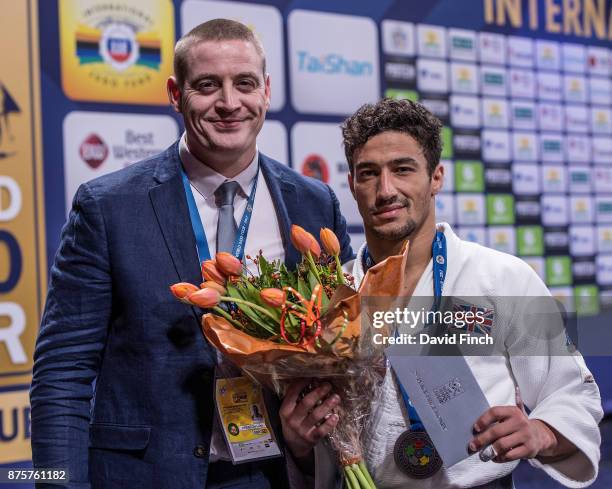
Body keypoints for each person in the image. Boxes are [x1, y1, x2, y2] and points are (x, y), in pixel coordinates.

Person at [30, 19, 352, 489]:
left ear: (265, 91)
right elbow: (63, 372)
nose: (228, 103)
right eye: (207, 85)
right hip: (145, 476)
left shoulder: (314, 202)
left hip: (270, 474)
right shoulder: (108, 206)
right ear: (175, 94)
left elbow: (339, 351)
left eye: (244, 83)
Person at [282, 98, 603, 489]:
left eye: (403, 169)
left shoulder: (503, 278)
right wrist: (299, 442)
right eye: (368, 173)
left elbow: (573, 393)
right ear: (351, 184)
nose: (385, 190)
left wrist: (543, 432)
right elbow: (320, 446)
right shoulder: (330, 297)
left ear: (436, 177)